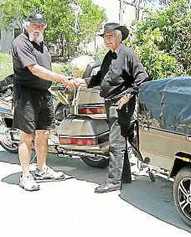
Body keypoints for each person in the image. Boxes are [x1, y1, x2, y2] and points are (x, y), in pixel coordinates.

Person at [77, 22, 149, 193]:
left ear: (119, 37)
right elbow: (101, 77)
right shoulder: (109, 56)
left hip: (121, 104)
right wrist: (83, 82)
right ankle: (124, 176)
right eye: (105, 37)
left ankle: (113, 181)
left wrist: (129, 95)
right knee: (120, 140)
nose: (106, 40)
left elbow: (143, 77)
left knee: (116, 143)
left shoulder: (127, 54)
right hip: (109, 102)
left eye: (109, 37)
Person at [11, 13, 78, 191]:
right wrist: (62, 79)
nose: (37, 28)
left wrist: (62, 79)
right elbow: (35, 69)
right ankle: (25, 175)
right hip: (26, 94)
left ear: (44, 27)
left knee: (44, 133)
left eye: (41, 25)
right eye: (34, 25)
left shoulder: (41, 44)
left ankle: (41, 169)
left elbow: (46, 68)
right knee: (27, 136)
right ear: (27, 25)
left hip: (43, 93)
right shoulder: (21, 42)